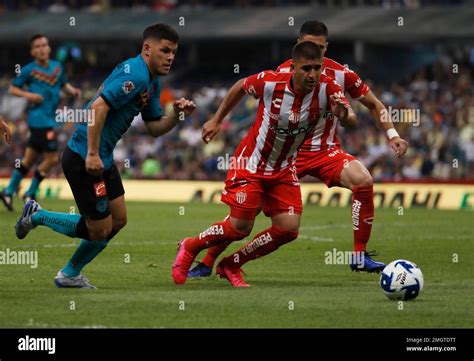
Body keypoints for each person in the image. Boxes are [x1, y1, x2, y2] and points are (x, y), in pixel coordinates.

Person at [189, 20, 409, 278]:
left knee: (363, 180)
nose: (313, 52)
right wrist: (218, 120)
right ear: (297, 46)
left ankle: (359, 254)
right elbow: (255, 98)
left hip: (325, 151)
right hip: (284, 154)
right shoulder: (285, 72)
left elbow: (374, 105)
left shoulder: (342, 75)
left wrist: (392, 134)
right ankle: (208, 260)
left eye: (319, 47)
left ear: (326, 48)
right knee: (247, 213)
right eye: (307, 46)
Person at [14, 23, 196, 288]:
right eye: (165, 50)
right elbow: (97, 108)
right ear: (147, 49)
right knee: (98, 230)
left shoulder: (151, 81)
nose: (170, 57)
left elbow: (155, 128)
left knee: (118, 220)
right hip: (84, 157)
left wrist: (178, 116)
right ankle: (38, 217)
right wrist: (91, 154)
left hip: (103, 157)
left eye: (174, 52)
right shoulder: (135, 74)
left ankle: (70, 274)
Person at [173, 41, 356, 287]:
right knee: (240, 227)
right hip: (251, 165)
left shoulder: (328, 87)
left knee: (288, 229)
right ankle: (190, 245)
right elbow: (239, 86)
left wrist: (343, 115)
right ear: (293, 67)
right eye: (306, 69)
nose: (312, 75)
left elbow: (350, 118)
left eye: (317, 68)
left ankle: (232, 264)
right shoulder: (270, 82)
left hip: (283, 168)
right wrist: (217, 120)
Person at [0, 34, 81, 210]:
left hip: (48, 120)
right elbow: (13, 88)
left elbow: (63, 85)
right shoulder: (29, 70)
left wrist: (73, 91)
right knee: (52, 158)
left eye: (44, 45)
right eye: (37, 46)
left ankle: (8, 191)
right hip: (39, 121)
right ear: (32, 52)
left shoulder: (57, 67)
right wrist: (29, 95)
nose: (42, 49)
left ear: (49, 48)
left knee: (29, 159)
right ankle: (30, 192)